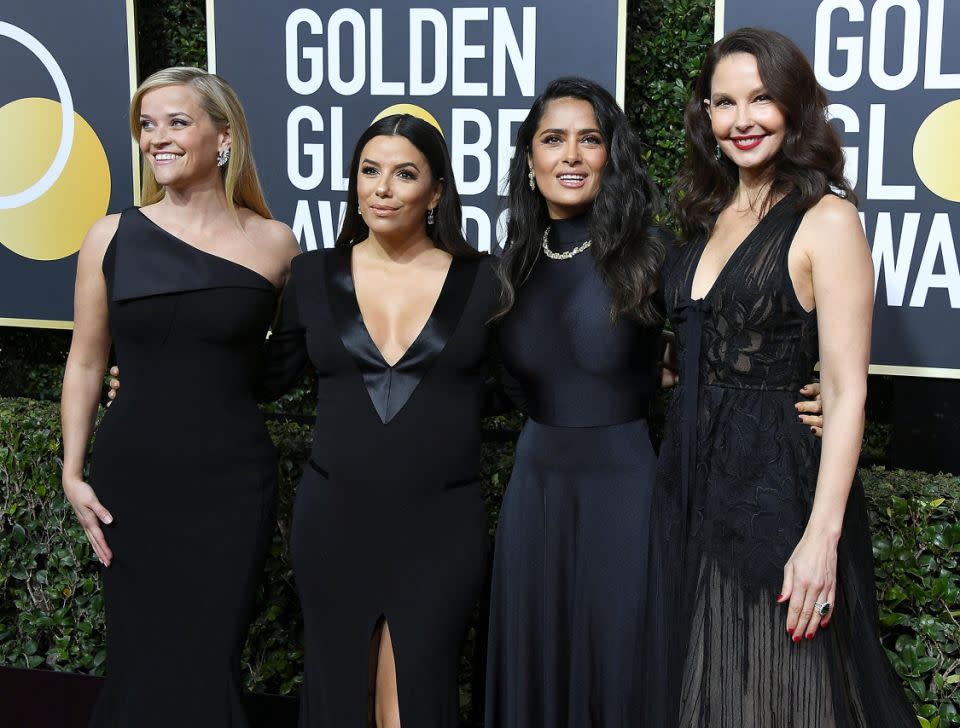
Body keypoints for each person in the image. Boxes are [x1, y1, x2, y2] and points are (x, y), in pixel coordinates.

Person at [645, 27, 916, 726]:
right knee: (696, 689)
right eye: (724, 102)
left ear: (795, 107)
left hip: (776, 492)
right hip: (688, 484)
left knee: (776, 693)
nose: (742, 120)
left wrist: (820, 539)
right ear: (704, 114)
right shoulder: (701, 216)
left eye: (761, 99)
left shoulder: (827, 219)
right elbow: (693, 345)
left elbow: (848, 388)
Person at [60, 67, 299, 727]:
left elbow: (292, 361)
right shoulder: (108, 237)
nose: (155, 139)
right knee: (140, 657)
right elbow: (85, 361)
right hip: (132, 479)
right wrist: (71, 470)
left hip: (231, 482)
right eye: (146, 125)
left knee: (206, 658)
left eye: (176, 122)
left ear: (224, 139)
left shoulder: (275, 245)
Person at [258, 112, 498, 728]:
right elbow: (264, 376)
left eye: (404, 173)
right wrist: (158, 374)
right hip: (336, 518)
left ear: (437, 191)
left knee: (418, 699)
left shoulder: (484, 281)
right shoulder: (312, 274)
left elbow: (530, 383)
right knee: (339, 695)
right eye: (369, 171)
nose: (382, 188)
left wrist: (647, 367)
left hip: (442, 525)